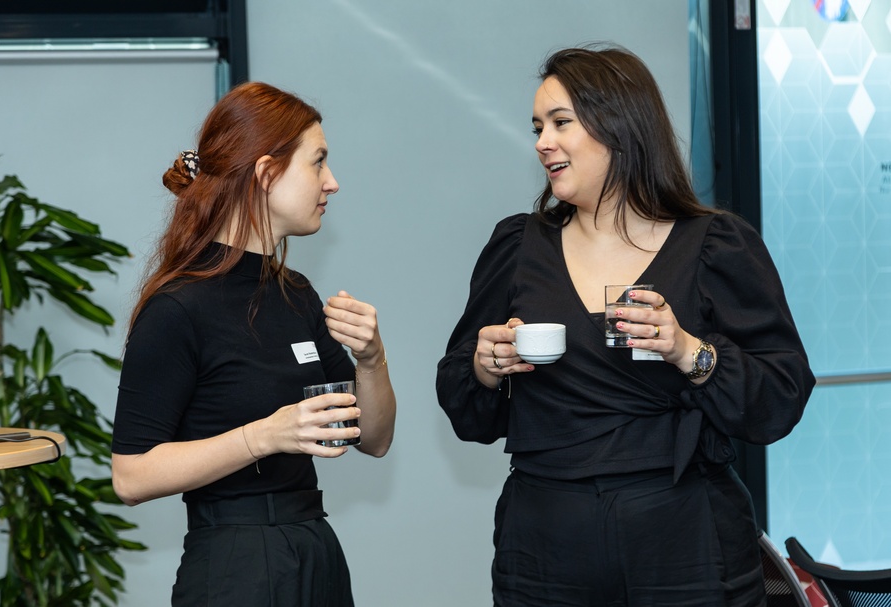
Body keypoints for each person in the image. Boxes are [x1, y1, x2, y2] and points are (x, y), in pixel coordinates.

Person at [436, 44, 815, 606]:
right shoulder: (518, 246)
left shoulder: (715, 245)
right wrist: (484, 367)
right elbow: (465, 407)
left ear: (618, 126)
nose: (543, 142)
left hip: (686, 535)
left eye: (561, 123)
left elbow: (781, 396)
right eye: (538, 126)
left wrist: (690, 352)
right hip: (544, 543)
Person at [111, 81, 396, 606]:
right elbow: (131, 476)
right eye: (318, 163)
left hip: (314, 548)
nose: (332, 183)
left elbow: (374, 439)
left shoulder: (297, 295)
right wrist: (265, 435)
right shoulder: (177, 308)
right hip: (234, 566)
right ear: (266, 173)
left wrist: (372, 359)